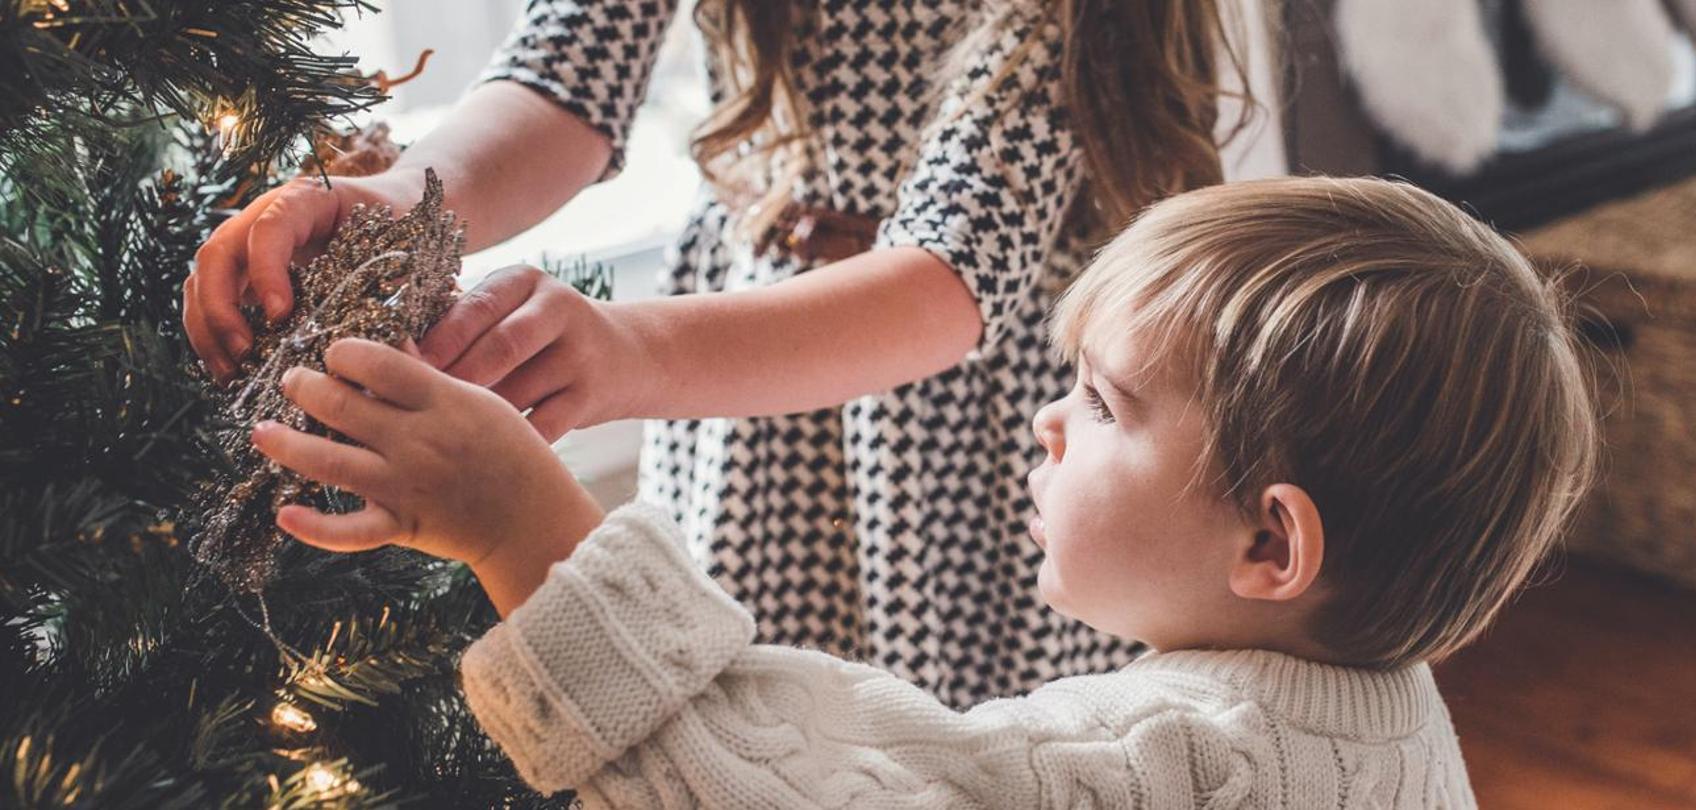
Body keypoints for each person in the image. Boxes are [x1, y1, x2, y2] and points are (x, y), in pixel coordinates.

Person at [250, 176, 1600, 807]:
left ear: (1269, 540)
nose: (1047, 420)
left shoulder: (1163, 761)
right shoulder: (1394, 728)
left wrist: (524, 527)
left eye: (1105, 403)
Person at [185, 0, 1249, 707]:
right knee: (747, 729)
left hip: (959, 412)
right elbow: (567, 75)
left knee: (942, 744)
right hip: (750, 383)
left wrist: (623, 354)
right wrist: (400, 201)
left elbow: (951, 274)